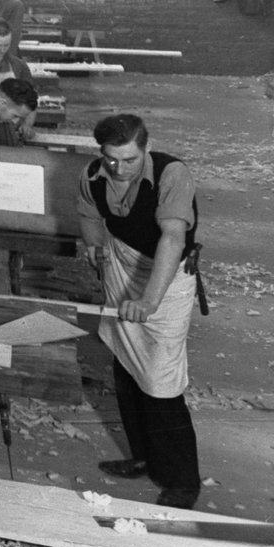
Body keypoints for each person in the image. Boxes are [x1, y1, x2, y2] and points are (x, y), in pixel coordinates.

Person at [80, 114, 204, 508]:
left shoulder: (172, 175)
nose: (118, 168)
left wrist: (149, 301)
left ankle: (182, 481)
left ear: (145, 149)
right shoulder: (92, 174)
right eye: (111, 159)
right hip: (122, 264)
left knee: (160, 378)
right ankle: (144, 457)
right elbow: (87, 215)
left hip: (164, 274)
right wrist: (95, 245)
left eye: (129, 160)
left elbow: (172, 237)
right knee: (124, 364)